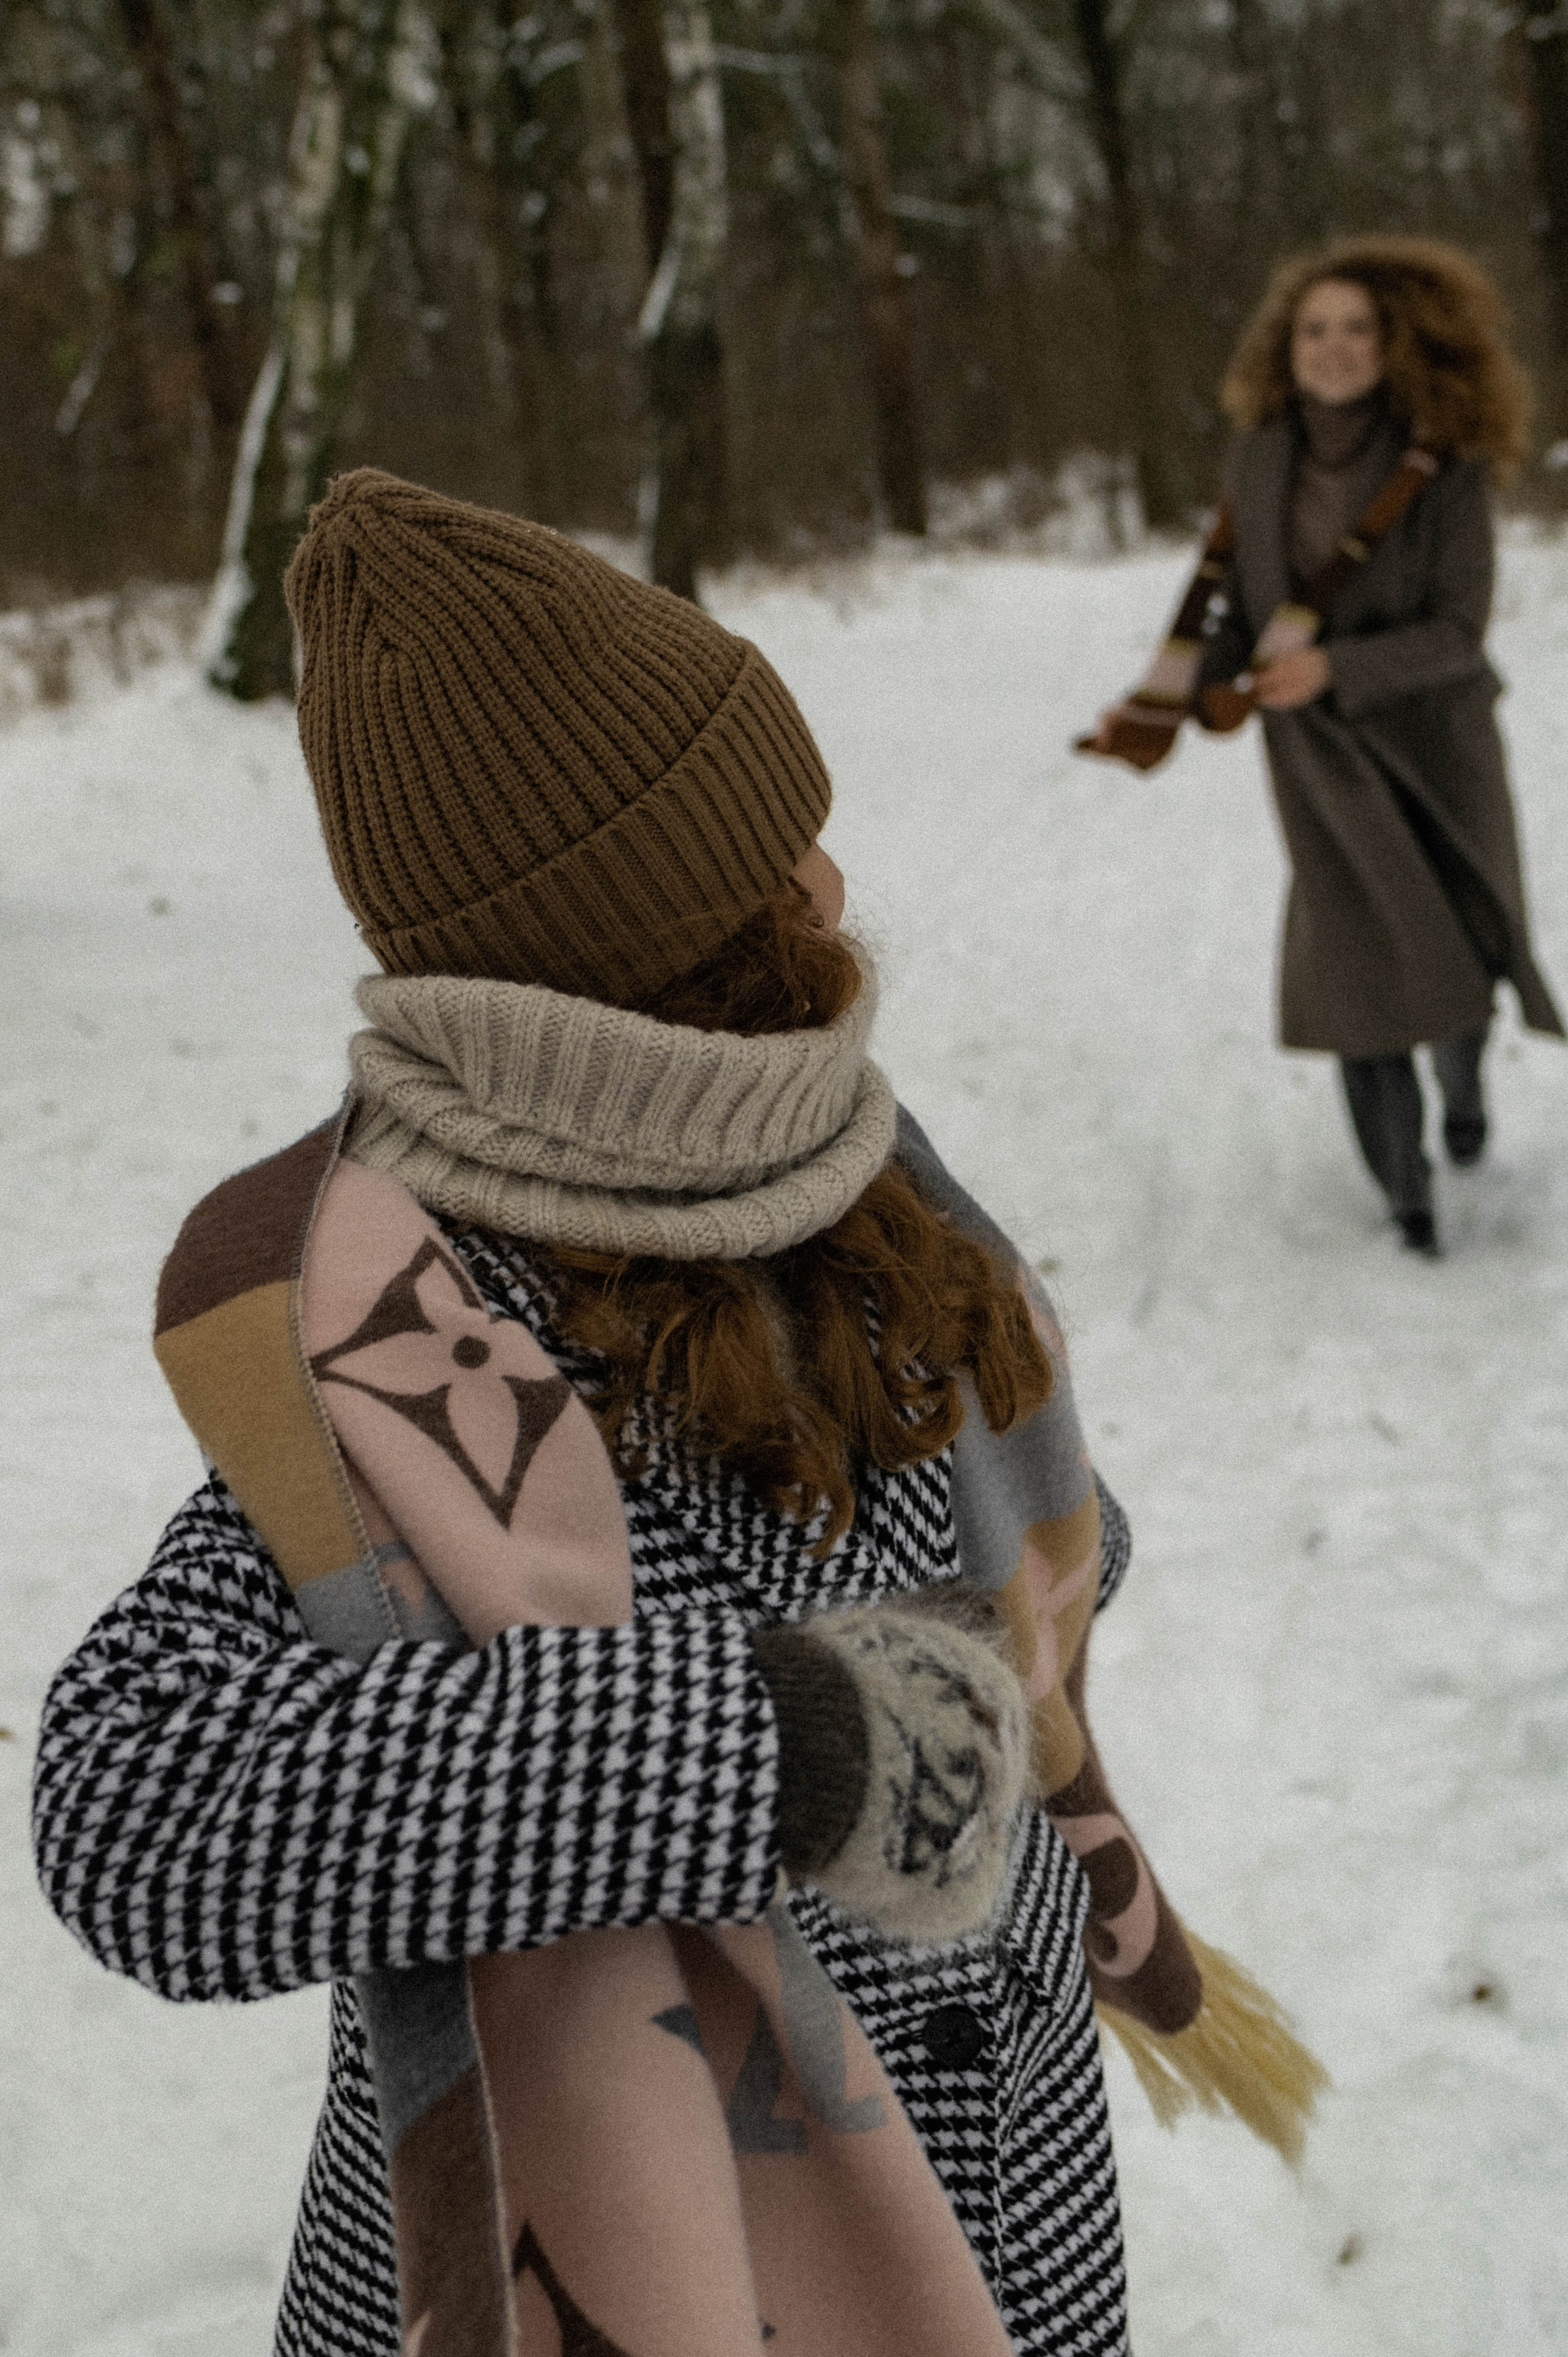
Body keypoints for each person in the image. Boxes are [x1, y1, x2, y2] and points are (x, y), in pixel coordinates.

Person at [32, 472, 1320, 2357]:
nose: (829, 887)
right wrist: (767, 1740)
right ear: (643, 943)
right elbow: (134, 1803)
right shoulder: (412, 1329)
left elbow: (1033, 1551)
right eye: (770, 855)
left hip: (1005, 2166)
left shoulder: (851, 1161)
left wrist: (1024, 1583)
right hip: (662, 2232)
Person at [1194, 234, 1562, 1254]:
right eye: (1315, 328)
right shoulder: (1259, 453)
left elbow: (1458, 629)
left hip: (1437, 749)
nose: (1336, 346)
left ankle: (1465, 1087)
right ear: (1286, 344)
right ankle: (1409, 1204)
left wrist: (1337, 669)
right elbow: (1241, 594)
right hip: (1319, 760)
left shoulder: (1441, 459)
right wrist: (1214, 676)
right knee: (1360, 975)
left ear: (1393, 341)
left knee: (1453, 962)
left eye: (1358, 327)